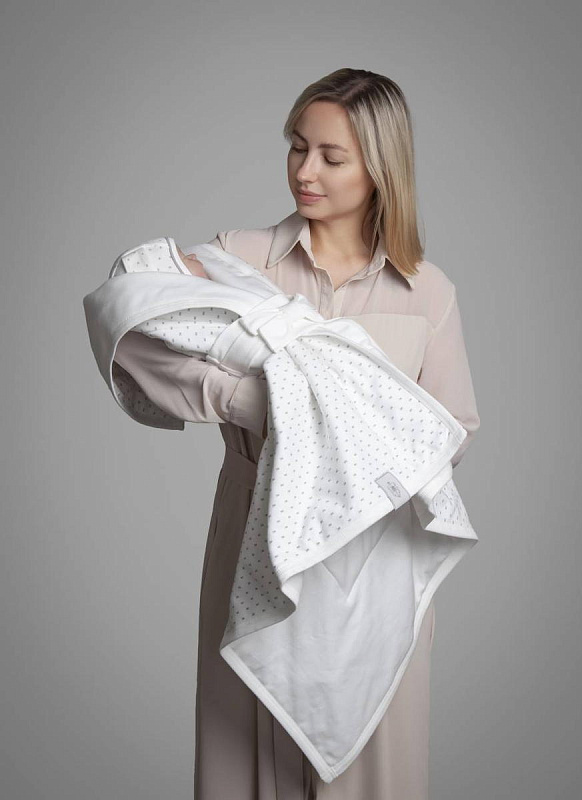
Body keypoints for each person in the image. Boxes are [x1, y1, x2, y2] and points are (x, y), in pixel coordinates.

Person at [113, 67, 481, 800]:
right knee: (243, 750)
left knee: (373, 766)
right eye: (296, 147)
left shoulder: (427, 290)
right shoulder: (238, 259)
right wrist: (245, 399)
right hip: (254, 530)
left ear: (380, 169)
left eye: (331, 157)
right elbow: (133, 330)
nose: (305, 172)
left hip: (374, 554)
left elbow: (454, 427)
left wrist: (354, 440)